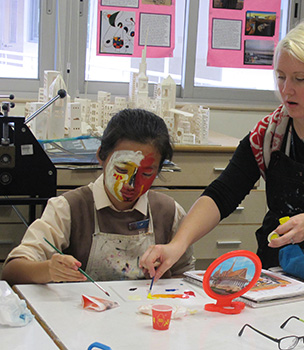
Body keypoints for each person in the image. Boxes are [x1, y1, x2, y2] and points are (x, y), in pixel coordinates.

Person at [140, 20, 304, 297]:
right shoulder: (269, 136)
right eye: (281, 76)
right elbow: (222, 193)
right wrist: (176, 245)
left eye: (300, 79)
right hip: (284, 275)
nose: (286, 90)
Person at [1, 109, 195, 284]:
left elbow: (185, 277)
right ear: (101, 156)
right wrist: (48, 270)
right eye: (121, 169)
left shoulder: (168, 212)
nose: (130, 184)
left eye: (146, 174)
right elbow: (11, 270)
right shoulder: (69, 208)